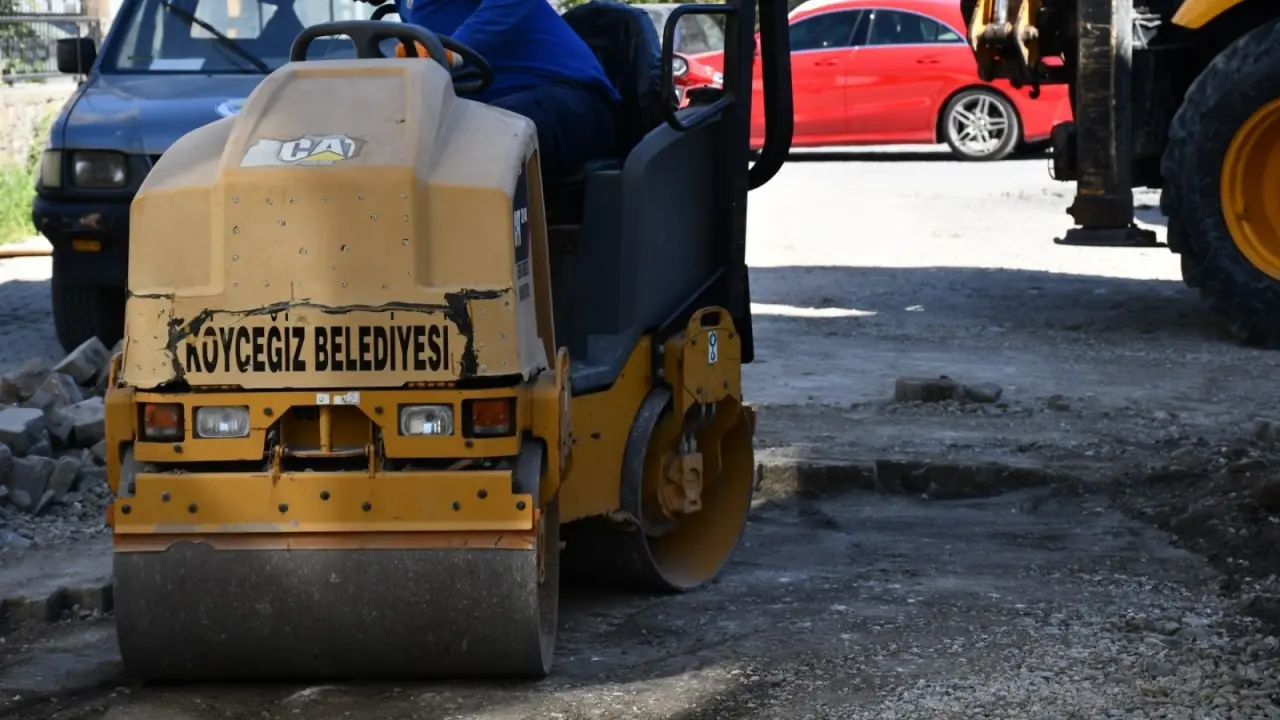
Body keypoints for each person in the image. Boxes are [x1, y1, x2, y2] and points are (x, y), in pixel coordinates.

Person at [366, 0, 620, 185]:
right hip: (500, 108)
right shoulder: (408, 7)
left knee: (472, 137)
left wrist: (457, 47)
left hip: (572, 101)